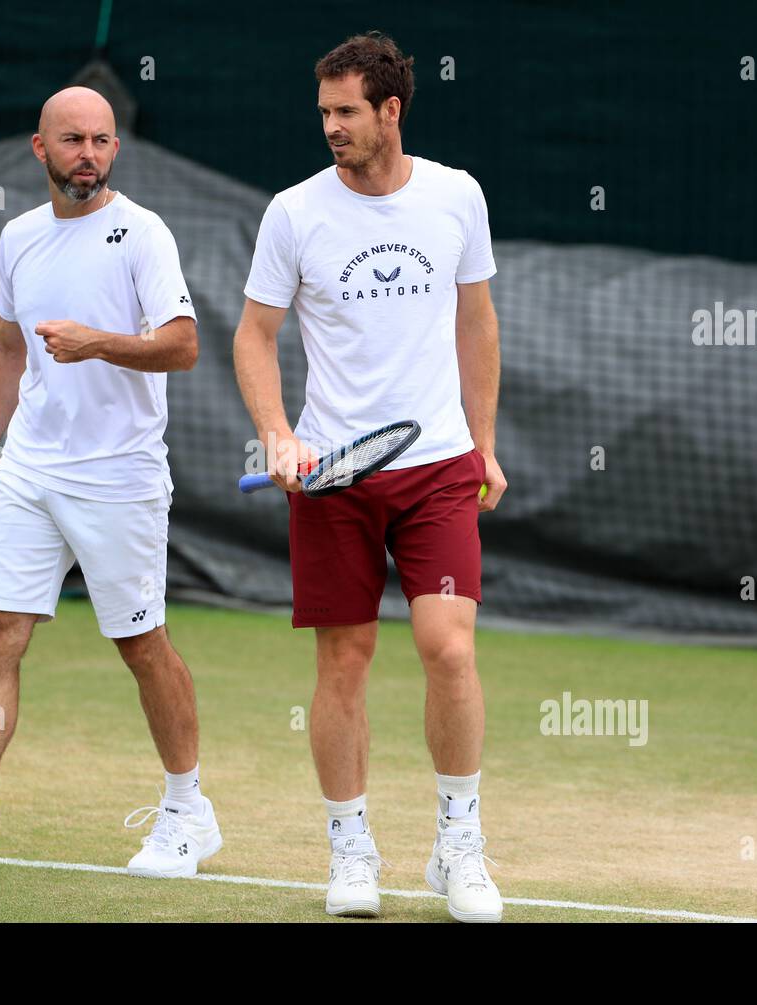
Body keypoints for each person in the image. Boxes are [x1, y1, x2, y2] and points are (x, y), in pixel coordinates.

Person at [0, 86, 220, 882]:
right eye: (73, 141)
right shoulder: (19, 237)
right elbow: (6, 349)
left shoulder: (144, 235)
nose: (89, 155)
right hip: (30, 470)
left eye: (101, 140)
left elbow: (183, 346)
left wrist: (97, 342)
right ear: (41, 148)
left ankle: (186, 810)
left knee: (141, 644)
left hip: (120, 476)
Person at [233, 33, 506, 922]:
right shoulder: (294, 213)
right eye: (324, 113)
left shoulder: (457, 196)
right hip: (331, 474)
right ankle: (351, 849)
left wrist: (485, 443)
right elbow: (254, 334)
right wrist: (277, 434)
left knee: (450, 648)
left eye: (348, 111)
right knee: (343, 662)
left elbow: (477, 324)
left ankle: (458, 843)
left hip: (436, 467)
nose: (332, 128)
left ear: (392, 110)